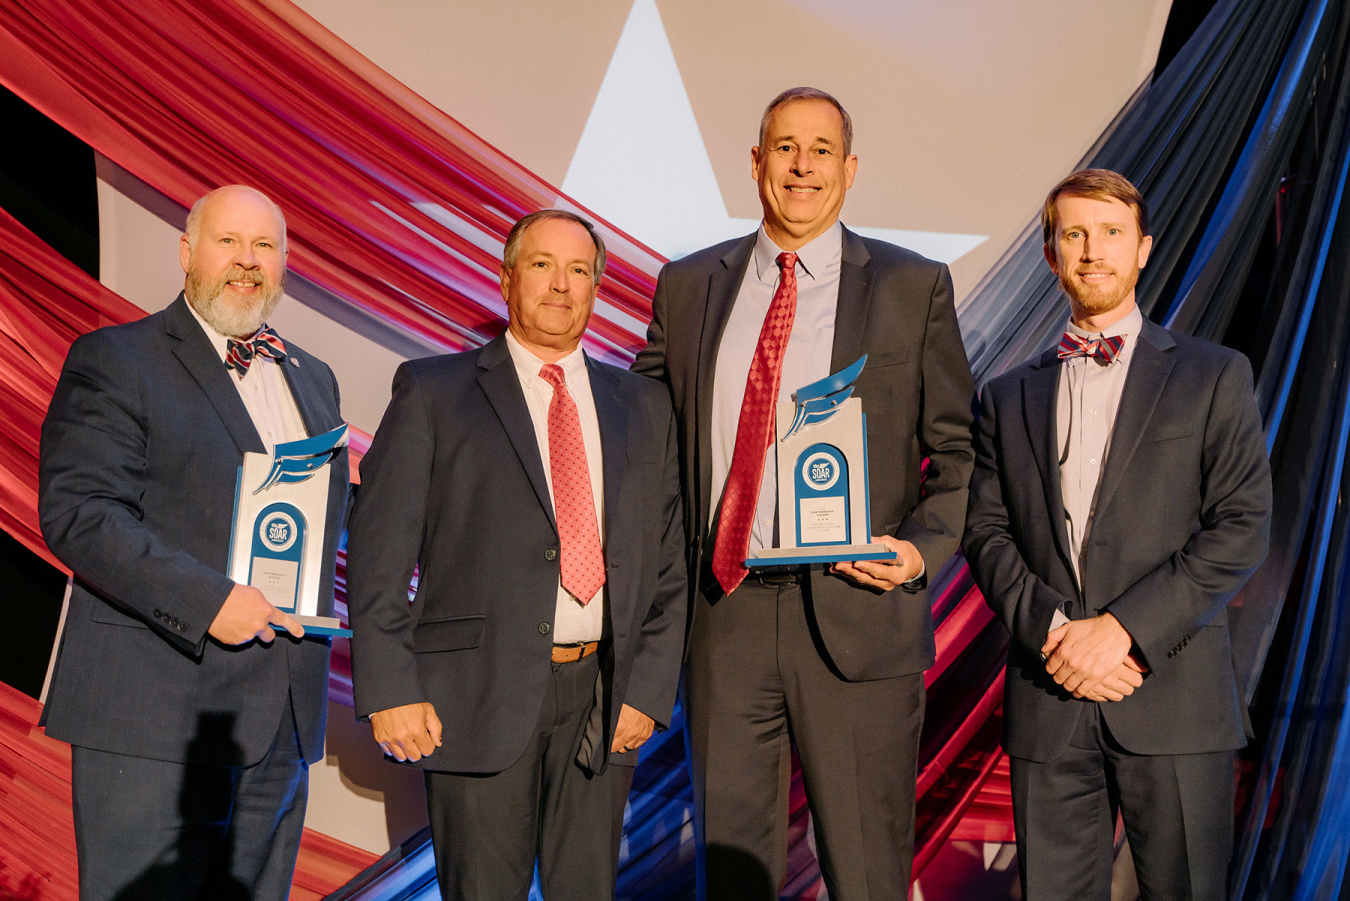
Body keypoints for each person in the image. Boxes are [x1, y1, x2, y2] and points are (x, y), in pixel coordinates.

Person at [632, 87, 975, 899]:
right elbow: (643, 444)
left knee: (865, 870)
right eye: (784, 147)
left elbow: (961, 452)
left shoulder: (910, 285)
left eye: (820, 150)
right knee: (735, 869)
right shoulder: (687, 287)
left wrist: (920, 551)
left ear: (849, 170)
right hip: (727, 615)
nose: (801, 166)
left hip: (859, 610)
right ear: (756, 163)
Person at [345, 209, 686, 901]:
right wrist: (389, 686)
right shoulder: (434, 390)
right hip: (473, 696)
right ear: (506, 279)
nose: (561, 285)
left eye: (580, 270)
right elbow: (379, 552)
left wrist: (647, 690)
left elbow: (669, 562)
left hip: (601, 698)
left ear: (596, 287)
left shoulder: (646, 405)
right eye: (542, 265)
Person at [962, 168, 1273, 900]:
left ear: (1142, 250)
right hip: (1051, 696)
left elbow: (1241, 525)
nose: (1092, 249)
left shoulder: (1213, 374)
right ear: (1052, 254)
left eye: (1110, 233)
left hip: (1174, 695)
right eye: (1074, 234)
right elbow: (985, 530)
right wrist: (1058, 632)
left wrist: (1122, 630)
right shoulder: (1005, 396)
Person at [39, 185, 349, 900]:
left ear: (284, 264)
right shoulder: (118, 358)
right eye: (228, 242)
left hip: (280, 721)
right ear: (187, 253)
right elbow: (81, 512)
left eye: (264, 246)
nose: (247, 261)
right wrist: (210, 600)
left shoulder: (314, 377)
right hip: (156, 713)